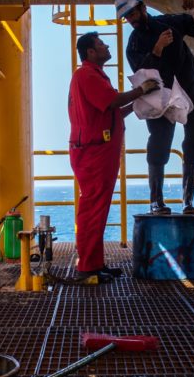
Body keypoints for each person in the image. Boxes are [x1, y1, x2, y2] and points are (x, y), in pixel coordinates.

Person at [68, 31, 160, 283]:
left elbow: (112, 111)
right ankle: (87, 267)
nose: (107, 46)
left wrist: (140, 102)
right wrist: (140, 90)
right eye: (101, 44)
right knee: (92, 209)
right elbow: (111, 102)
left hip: (98, 151)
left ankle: (95, 264)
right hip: (93, 151)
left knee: (97, 209)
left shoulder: (94, 75)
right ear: (90, 52)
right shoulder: (86, 75)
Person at [116, 0, 194, 215]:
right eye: (127, 17)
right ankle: (156, 201)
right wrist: (157, 49)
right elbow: (140, 73)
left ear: (143, 7)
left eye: (132, 14)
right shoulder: (134, 43)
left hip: (188, 89)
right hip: (158, 98)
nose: (131, 20)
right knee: (159, 142)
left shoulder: (169, 23)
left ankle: (188, 201)